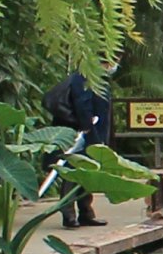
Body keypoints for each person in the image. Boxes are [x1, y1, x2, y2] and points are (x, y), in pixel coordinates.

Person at [44, 70, 112, 227]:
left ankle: (86, 212)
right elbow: (82, 101)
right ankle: (69, 214)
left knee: (88, 170)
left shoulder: (99, 77)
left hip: (95, 130)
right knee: (72, 170)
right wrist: (87, 126)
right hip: (81, 131)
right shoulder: (83, 76)